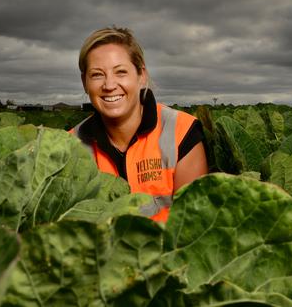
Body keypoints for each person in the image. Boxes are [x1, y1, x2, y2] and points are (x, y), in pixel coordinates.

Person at [70, 26, 208, 222]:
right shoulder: (69, 146)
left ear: (141, 75)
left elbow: (193, 223)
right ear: (84, 82)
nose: (109, 85)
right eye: (97, 75)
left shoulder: (181, 131)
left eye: (121, 72)